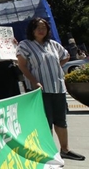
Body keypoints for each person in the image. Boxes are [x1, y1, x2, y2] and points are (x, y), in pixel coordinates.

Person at [16, 18, 85, 161]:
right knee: (45, 121)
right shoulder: (25, 45)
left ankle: (65, 149)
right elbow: (21, 65)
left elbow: (65, 56)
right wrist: (34, 80)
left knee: (61, 119)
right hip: (40, 89)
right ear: (32, 30)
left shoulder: (53, 44)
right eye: (38, 27)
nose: (41, 30)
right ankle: (48, 151)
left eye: (44, 27)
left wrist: (55, 68)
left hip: (57, 87)